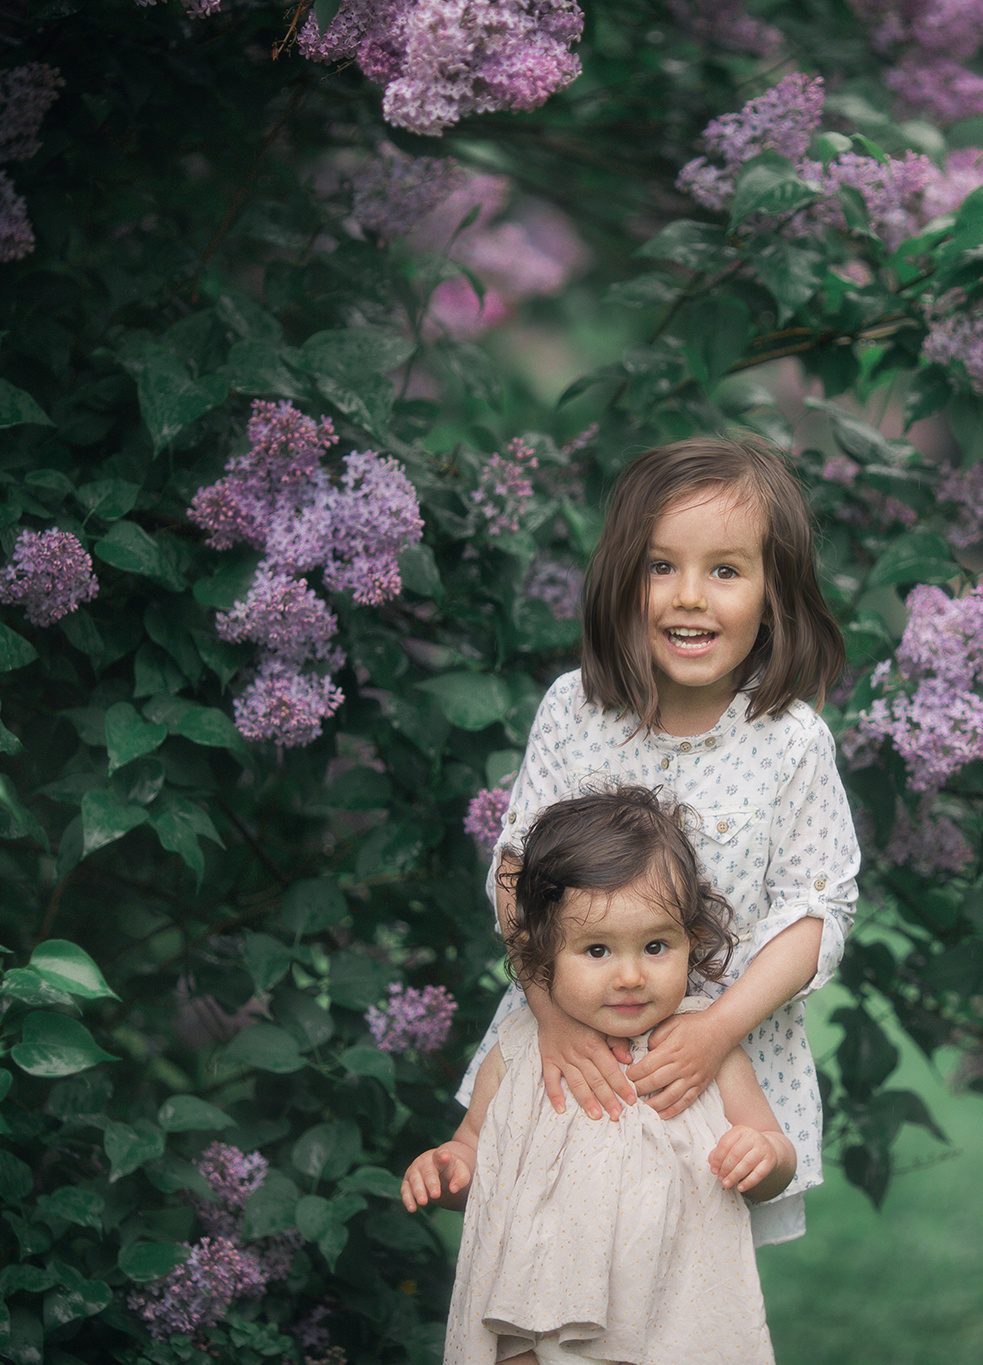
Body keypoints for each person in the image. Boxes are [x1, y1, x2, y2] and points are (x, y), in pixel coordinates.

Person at [459, 432, 859, 1246]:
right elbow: (515, 873)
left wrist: (716, 1032)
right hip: (575, 1049)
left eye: (725, 570)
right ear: (622, 579)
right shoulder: (576, 712)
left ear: (772, 592)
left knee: (683, 1290)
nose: (689, 596)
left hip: (709, 1069)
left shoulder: (790, 743)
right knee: (545, 1268)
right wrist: (551, 1012)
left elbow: (817, 913)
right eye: (661, 565)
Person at [403, 786, 792, 1365]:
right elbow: (478, 1152)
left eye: (656, 945)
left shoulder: (699, 1052)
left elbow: (778, 1158)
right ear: (542, 956)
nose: (631, 975)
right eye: (597, 950)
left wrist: (761, 1154)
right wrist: (450, 1170)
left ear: (693, 940)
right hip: (532, 1309)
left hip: (667, 1312)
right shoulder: (517, 1052)